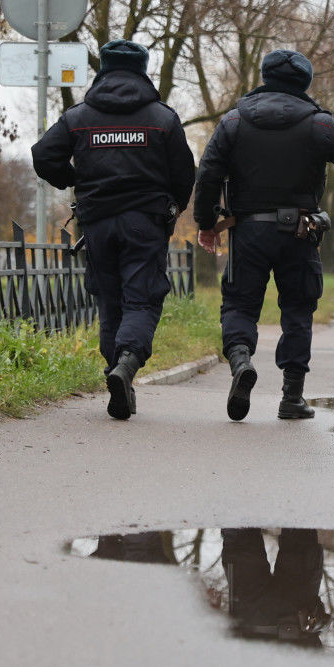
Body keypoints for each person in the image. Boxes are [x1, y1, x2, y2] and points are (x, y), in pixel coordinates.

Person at [194, 49, 334, 421]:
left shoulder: (234, 121)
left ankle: (241, 363)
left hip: (248, 230)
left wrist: (206, 223)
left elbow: (208, 173)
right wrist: (324, 116)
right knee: (298, 310)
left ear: (265, 77)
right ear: (304, 82)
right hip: (300, 231)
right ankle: (292, 397)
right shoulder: (318, 124)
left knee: (239, 305)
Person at [31, 39, 195, 421]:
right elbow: (185, 173)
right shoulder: (162, 119)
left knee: (109, 300)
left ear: (103, 68)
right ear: (143, 69)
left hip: (98, 222)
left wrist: (76, 180)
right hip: (145, 224)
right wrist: (172, 209)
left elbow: (43, 155)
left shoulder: (79, 116)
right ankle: (127, 362)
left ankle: (116, 373)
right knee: (142, 299)